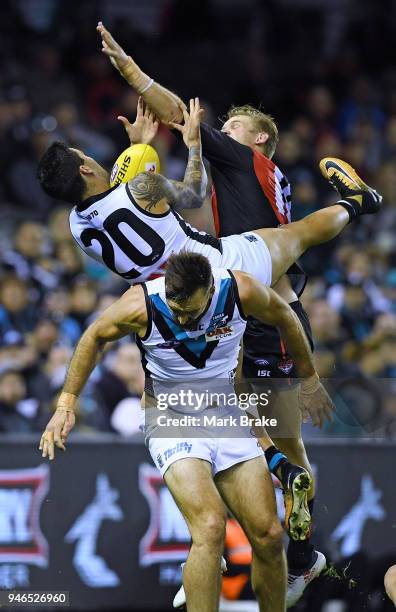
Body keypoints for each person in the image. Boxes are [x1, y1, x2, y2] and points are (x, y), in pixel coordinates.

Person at [94, 21, 383, 605]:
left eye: (231, 126)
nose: (218, 127)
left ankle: (244, 552)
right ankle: (284, 555)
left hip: (259, 316)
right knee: (258, 439)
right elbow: (196, 196)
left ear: (255, 139)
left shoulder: (244, 159)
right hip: (270, 305)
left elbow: (179, 112)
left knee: (231, 430)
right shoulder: (265, 182)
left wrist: (131, 71)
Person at [39, 251, 335, 612]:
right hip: (170, 418)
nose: (181, 318)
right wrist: (66, 405)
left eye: (190, 312)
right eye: (176, 310)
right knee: (210, 527)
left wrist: (309, 378)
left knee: (270, 536)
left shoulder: (240, 291)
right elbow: (93, 337)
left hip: (227, 415)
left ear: (210, 290)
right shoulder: (141, 304)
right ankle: (203, 567)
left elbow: (287, 317)